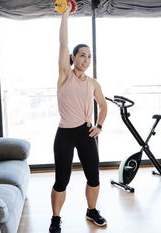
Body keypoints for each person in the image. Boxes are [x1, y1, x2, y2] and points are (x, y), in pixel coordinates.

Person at [49, 2, 108, 233]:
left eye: (89, 56)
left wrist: (99, 125)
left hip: (85, 133)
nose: (86, 59)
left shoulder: (93, 83)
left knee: (94, 177)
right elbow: (63, 43)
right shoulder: (65, 76)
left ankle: (91, 211)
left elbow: (103, 106)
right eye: (82, 55)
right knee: (61, 180)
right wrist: (65, 15)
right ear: (72, 58)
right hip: (65, 134)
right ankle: (56, 218)